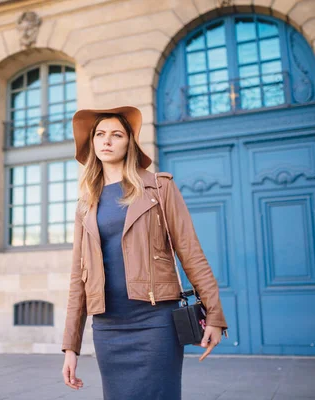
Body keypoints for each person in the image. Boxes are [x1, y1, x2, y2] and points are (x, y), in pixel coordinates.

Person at [61, 106, 228, 400]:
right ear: (92, 142)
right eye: (100, 134)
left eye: (116, 134)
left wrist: (214, 315)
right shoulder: (85, 203)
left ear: (130, 143)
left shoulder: (159, 187)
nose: (106, 141)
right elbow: (79, 276)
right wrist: (71, 347)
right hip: (108, 327)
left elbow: (190, 252)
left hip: (155, 322)